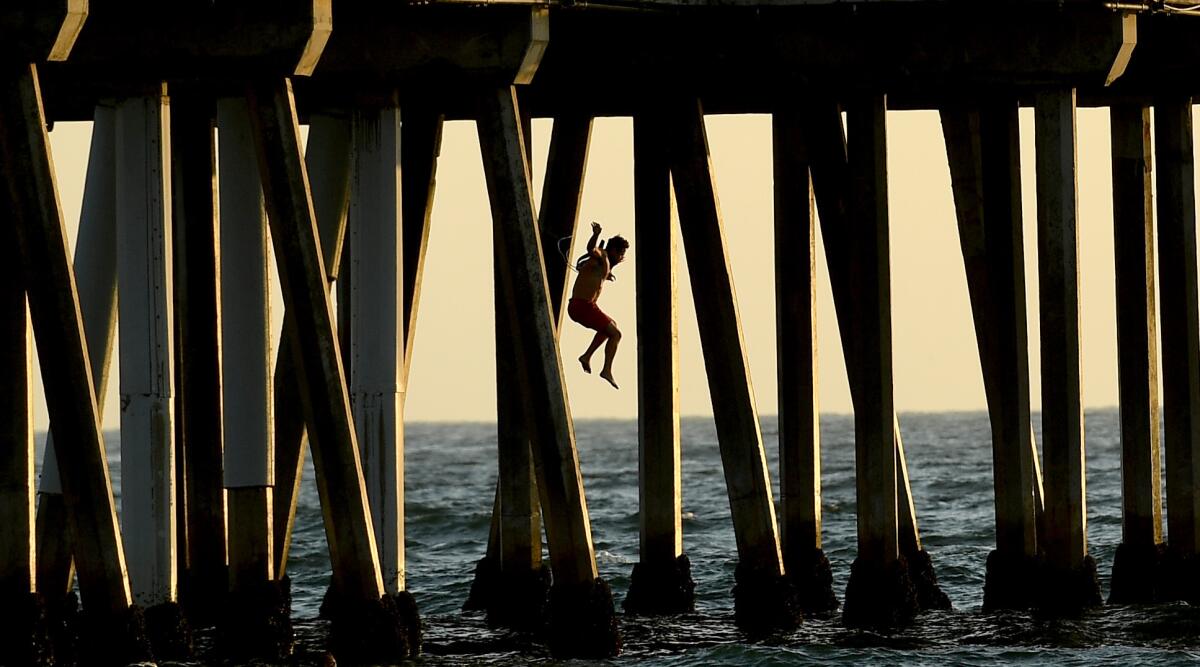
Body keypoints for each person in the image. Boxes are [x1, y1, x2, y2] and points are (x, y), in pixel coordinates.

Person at [567, 222, 629, 389]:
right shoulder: (601, 255)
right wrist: (595, 234)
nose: (622, 258)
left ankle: (586, 356)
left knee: (610, 327)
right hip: (582, 306)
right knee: (616, 334)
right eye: (621, 253)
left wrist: (606, 276)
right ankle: (606, 370)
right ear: (614, 251)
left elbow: (593, 272)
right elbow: (591, 249)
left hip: (584, 306)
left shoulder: (604, 265)